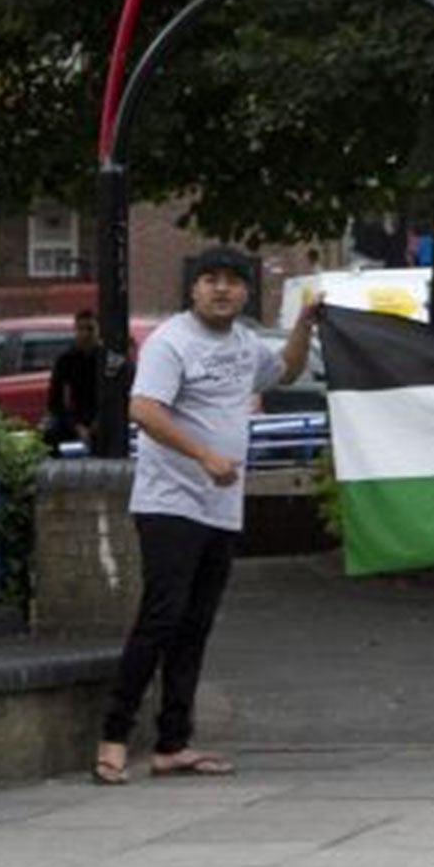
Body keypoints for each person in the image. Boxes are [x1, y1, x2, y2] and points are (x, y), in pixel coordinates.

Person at [92, 247, 316, 785]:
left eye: (233, 282)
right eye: (210, 281)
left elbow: (284, 370)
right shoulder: (173, 341)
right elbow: (143, 409)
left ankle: (174, 743)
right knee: (162, 617)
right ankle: (114, 736)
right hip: (171, 502)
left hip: (221, 506)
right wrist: (205, 457)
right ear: (192, 290)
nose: (221, 290)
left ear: (246, 292)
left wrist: (305, 324)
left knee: (195, 625)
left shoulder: (244, 344)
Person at [43, 309, 120, 452]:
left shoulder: (106, 359)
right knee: (50, 432)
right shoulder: (65, 360)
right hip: (74, 418)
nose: (85, 334)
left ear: (98, 331)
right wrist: (76, 426)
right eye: (80, 329)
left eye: (90, 329)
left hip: (102, 418)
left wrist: (97, 423)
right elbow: (55, 401)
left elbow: (114, 397)